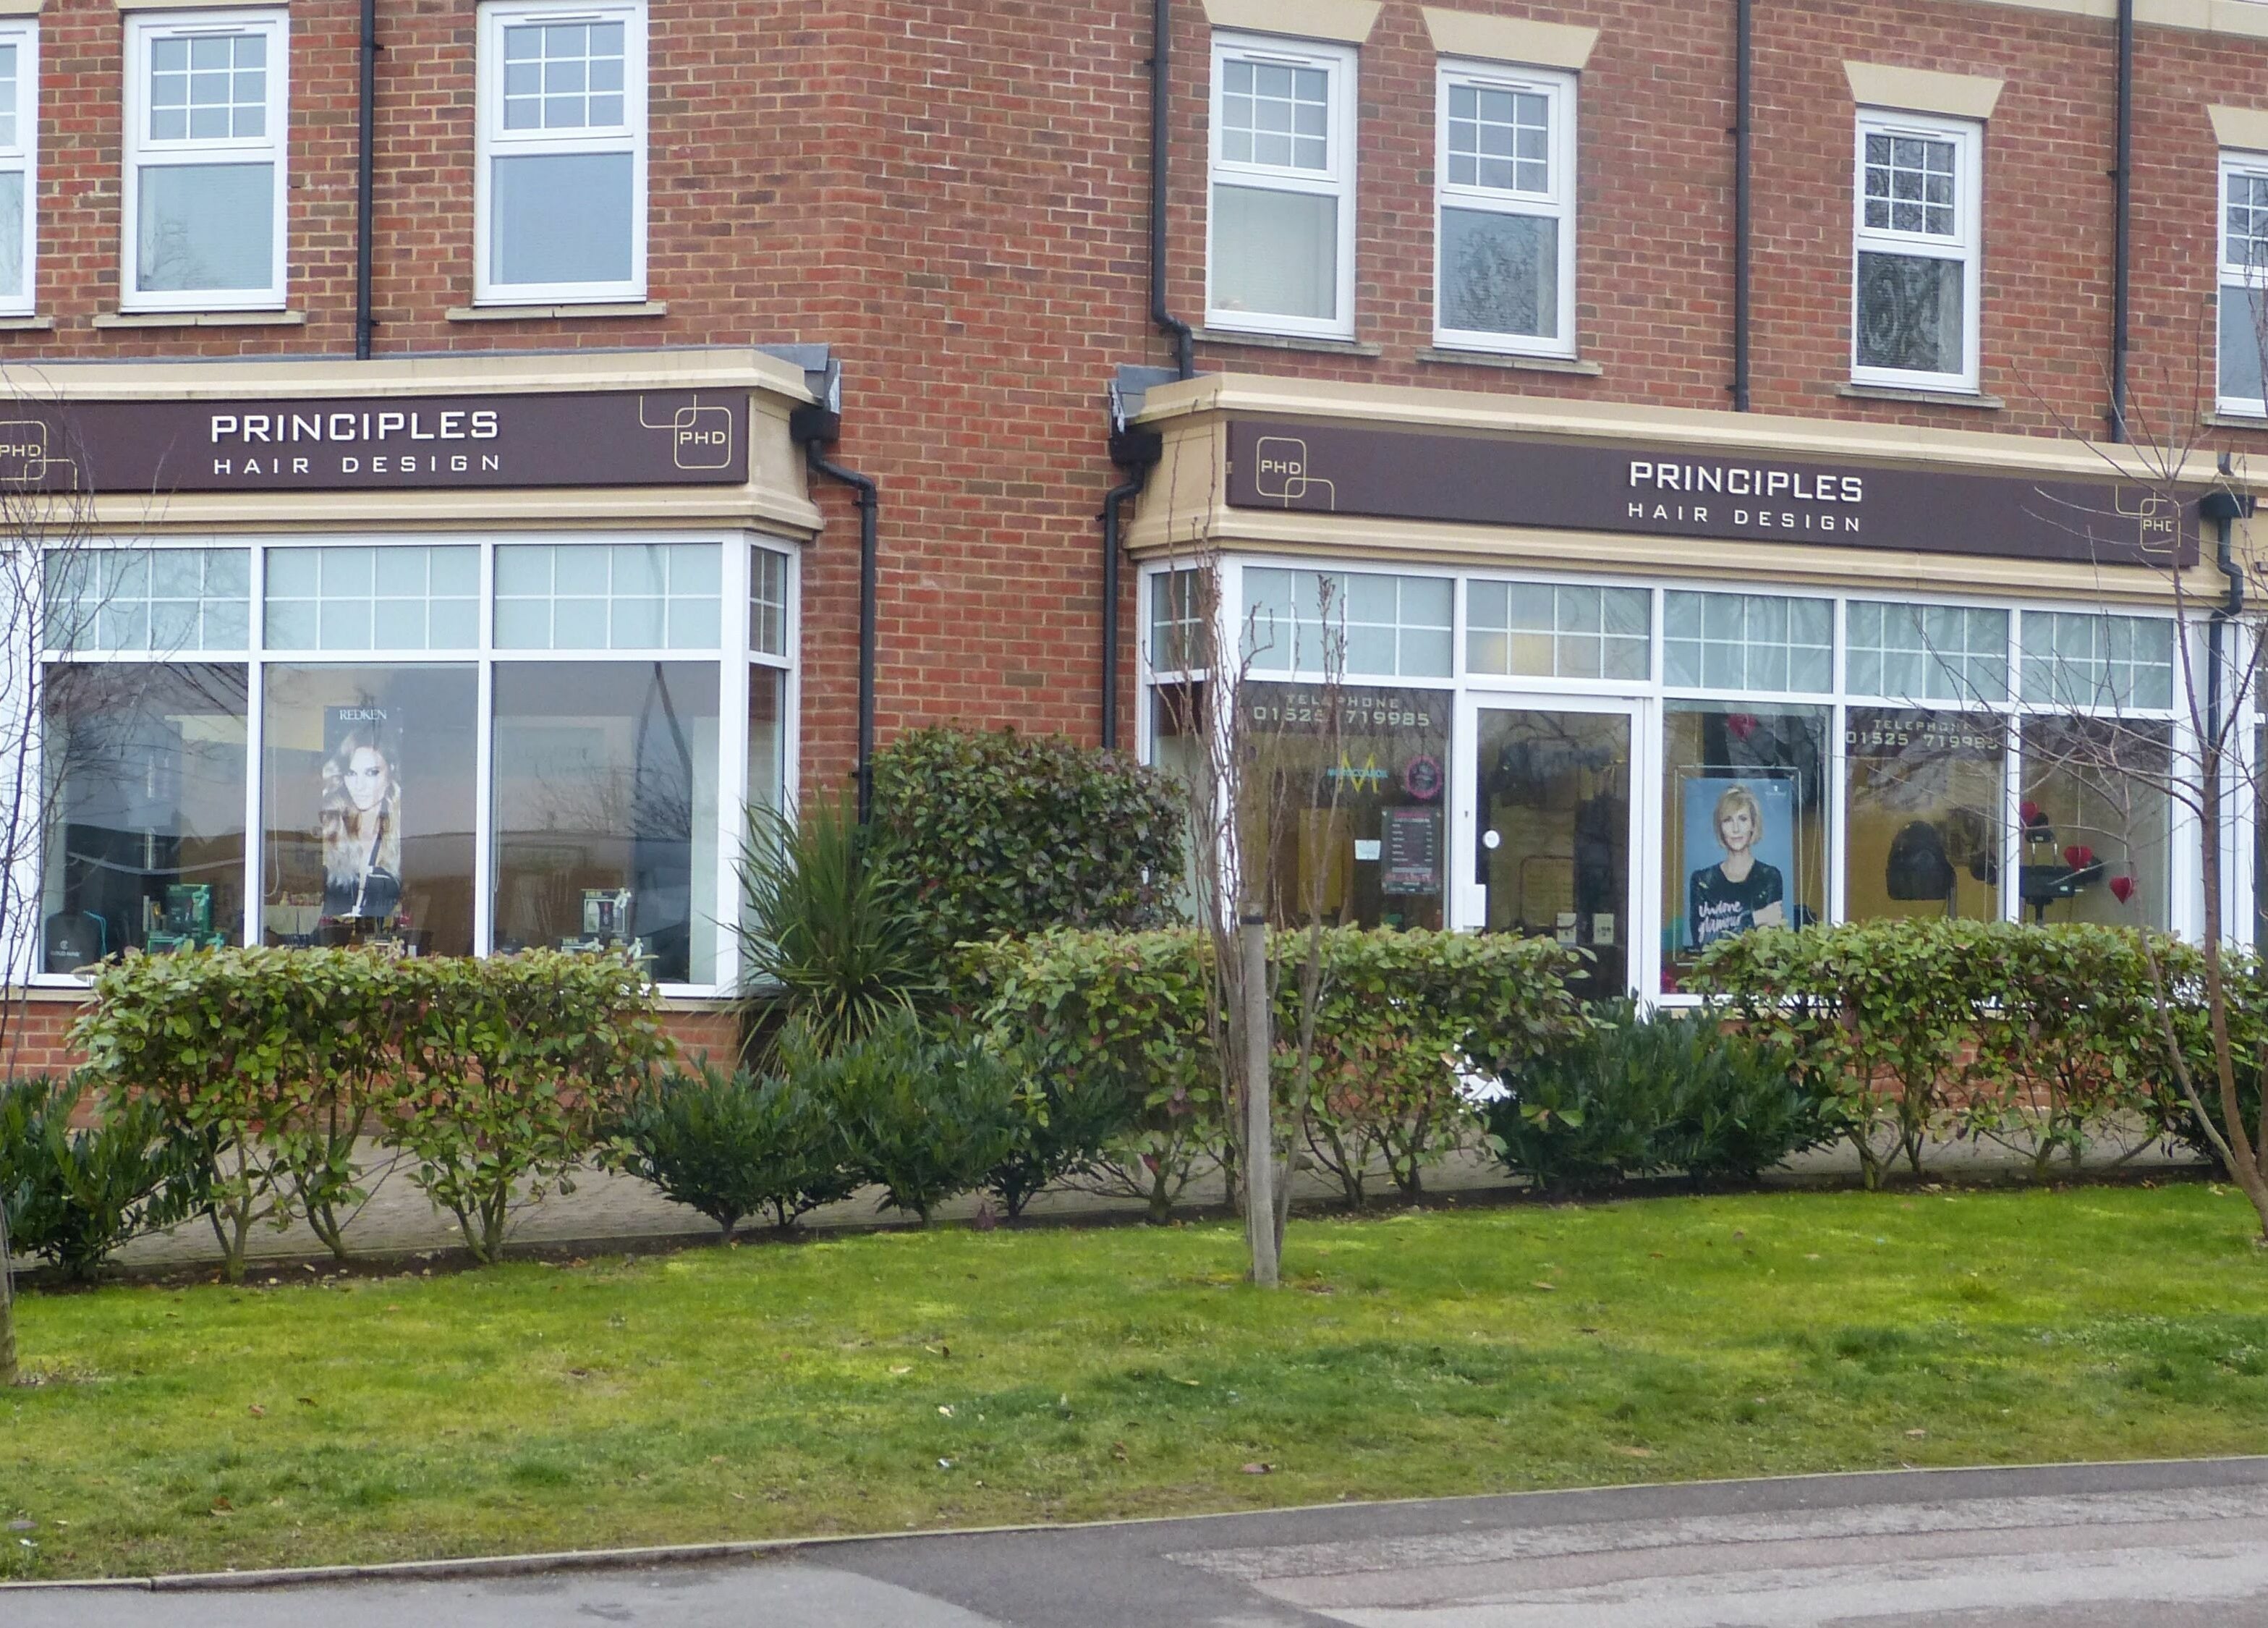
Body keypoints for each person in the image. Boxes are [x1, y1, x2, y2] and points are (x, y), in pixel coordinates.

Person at [320, 724, 402, 923]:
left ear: (391, 772)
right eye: (351, 773)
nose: (359, 785)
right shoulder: (332, 826)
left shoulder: (402, 834)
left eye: (371, 773)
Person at [1688, 783, 1785, 949]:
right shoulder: (1702, 881)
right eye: (1728, 820)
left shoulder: (1769, 877)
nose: (1736, 828)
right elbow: (1704, 942)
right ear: (1720, 828)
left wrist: (1727, 928)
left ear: (1753, 825)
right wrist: (1756, 918)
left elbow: (1766, 946)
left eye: (1743, 819)